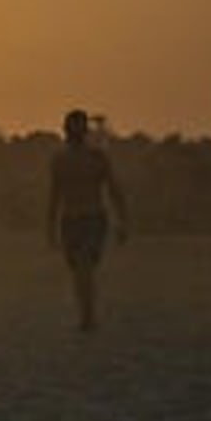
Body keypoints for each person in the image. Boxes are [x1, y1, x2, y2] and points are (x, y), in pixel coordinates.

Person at [47, 108, 127, 332]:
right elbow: (55, 195)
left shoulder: (97, 158)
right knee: (78, 271)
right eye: (71, 128)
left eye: (79, 128)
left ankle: (88, 316)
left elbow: (114, 189)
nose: (74, 133)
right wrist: (50, 226)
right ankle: (86, 312)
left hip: (93, 219)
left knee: (85, 267)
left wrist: (123, 220)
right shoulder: (59, 160)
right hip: (69, 220)